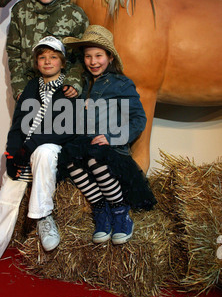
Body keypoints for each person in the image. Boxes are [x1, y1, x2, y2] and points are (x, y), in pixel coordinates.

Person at [0, 37, 76, 280]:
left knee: (45, 151)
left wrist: (29, 147)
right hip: (25, 151)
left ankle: (42, 216)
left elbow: (65, 130)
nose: (47, 61)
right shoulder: (30, 87)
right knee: (8, 192)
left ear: (62, 61)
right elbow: (18, 126)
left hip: (53, 154)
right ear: (37, 62)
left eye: (53, 57)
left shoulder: (69, 90)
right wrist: (12, 153)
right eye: (42, 57)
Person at [58, 25, 156, 245]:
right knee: (69, 160)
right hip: (84, 143)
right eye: (88, 56)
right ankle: (101, 210)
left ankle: (120, 212)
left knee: (95, 156)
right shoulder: (80, 84)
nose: (93, 62)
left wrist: (112, 137)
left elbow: (139, 119)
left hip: (111, 147)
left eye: (99, 56)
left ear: (110, 57)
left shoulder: (122, 84)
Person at [6, 0, 89, 101]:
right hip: (30, 92)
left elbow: (83, 55)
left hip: (64, 92)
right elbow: (14, 52)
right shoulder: (20, 11)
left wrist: (74, 82)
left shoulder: (75, 14)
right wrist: (20, 88)